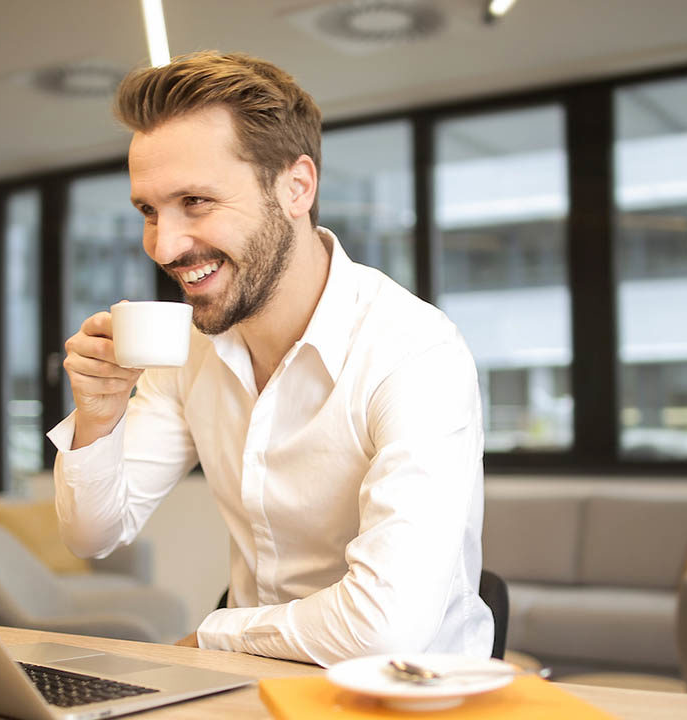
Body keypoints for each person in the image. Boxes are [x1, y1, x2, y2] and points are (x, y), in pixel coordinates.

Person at [48, 51, 491, 666]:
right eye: (149, 211)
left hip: (403, 691)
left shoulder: (415, 352)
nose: (164, 247)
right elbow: (93, 534)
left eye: (195, 201)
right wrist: (99, 418)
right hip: (249, 686)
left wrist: (213, 635)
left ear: (296, 187)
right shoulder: (191, 350)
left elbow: (384, 629)